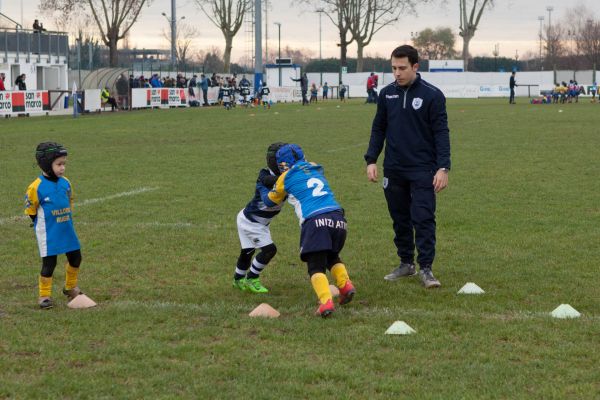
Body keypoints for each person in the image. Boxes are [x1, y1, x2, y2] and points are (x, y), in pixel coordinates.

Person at [364, 44, 450, 289]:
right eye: (393, 68)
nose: (397, 73)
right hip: (394, 168)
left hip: (423, 168)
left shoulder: (432, 95)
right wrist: (371, 159)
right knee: (400, 218)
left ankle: (426, 268)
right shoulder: (386, 94)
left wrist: (443, 167)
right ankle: (406, 263)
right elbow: (378, 128)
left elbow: (441, 132)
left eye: (402, 68)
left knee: (423, 217)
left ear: (415, 66)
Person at [264, 144, 356, 318]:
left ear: (283, 164)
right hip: (338, 218)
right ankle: (345, 285)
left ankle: (325, 302)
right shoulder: (315, 167)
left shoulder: (285, 176)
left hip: (315, 221)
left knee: (315, 266)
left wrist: (265, 185)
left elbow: (270, 201)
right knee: (331, 256)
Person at [25, 142, 84, 309]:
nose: (62, 168)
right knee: (49, 264)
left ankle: (70, 288)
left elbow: (69, 200)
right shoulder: (36, 187)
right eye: (59, 164)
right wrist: (41, 224)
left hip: (66, 228)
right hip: (49, 232)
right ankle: (44, 296)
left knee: (76, 257)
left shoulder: (66, 182)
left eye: (64, 163)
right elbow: (31, 209)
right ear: (46, 164)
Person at [233, 142, 287, 293]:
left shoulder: (287, 177)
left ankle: (238, 280)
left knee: (247, 252)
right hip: (251, 222)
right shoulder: (264, 175)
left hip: (251, 219)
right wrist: (286, 178)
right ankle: (252, 278)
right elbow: (268, 186)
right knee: (269, 250)